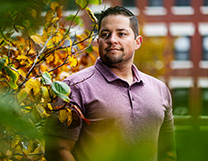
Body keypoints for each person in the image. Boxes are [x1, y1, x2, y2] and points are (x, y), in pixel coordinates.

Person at [45, 6, 177, 161]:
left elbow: (168, 151)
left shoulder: (160, 90)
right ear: (98, 40)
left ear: (137, 42)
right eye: (105, 34)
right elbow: (57, 150)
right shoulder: (75, 87)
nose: (112, 39)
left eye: (121, 34)